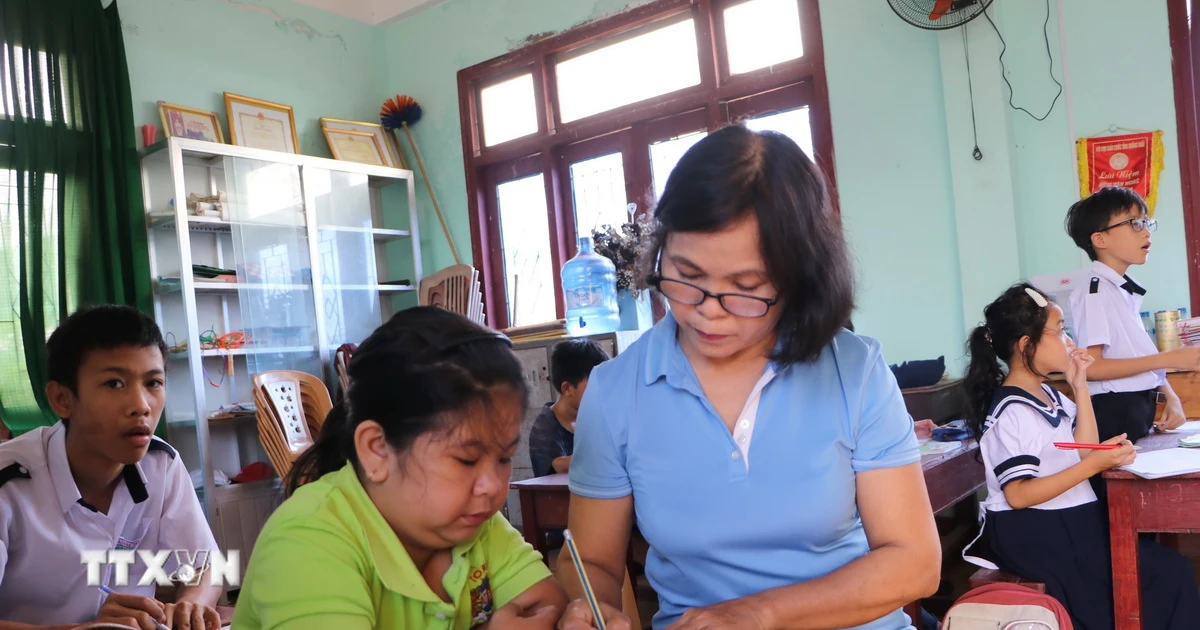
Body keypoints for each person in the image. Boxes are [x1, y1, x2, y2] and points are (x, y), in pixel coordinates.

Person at [559, 125, 941, 630]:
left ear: (798, 279)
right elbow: (592, 563)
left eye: (746, 287)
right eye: (687, 277)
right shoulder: (615, 393)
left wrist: (760, 615)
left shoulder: (855, 371)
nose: (708, 313)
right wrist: (587, 603)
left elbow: (914, 562)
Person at [234, 307, 567, 629]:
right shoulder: (307, 538)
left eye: (504, 458)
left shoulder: (475, 525)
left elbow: (546, 607)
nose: (492, 486)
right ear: (378, 450)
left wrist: (574, 618)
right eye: (466, 460)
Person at [963, 283, 1200, 630]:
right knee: (1165, 575)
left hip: (1072, 524)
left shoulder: (1049, 394)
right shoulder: (1011, 411)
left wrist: (1081, 385)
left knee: (1166, 572)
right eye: (1060, 332)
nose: (1070, 342)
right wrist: (1093, 464)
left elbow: (1085, 450)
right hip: (1036, 533)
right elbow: (1018, 494)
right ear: (1026, 345)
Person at [0, 305, 222, 630]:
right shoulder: (9, 481)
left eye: (153, 383)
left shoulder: (162, 464)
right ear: (62, 399)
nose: (141, 406)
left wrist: (191, 605)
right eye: (115, 384)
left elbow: (205, 566)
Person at [1065, 186, 1200, 442]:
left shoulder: (1120, 288)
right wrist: (1168, 358)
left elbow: (1136, 353)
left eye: (1146, 223)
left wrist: (1169, 396)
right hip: (1114, 412)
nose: (1146, 231)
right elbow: (1092, 369)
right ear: (1100, 239)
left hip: (1137, 407)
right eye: (1135, 224)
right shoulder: (1095, 292)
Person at [528, 339, 609, 477]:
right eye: (595, 385)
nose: (602, 391)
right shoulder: (546, 424)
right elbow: (559, 465)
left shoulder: (594, 416)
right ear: (567, 389)